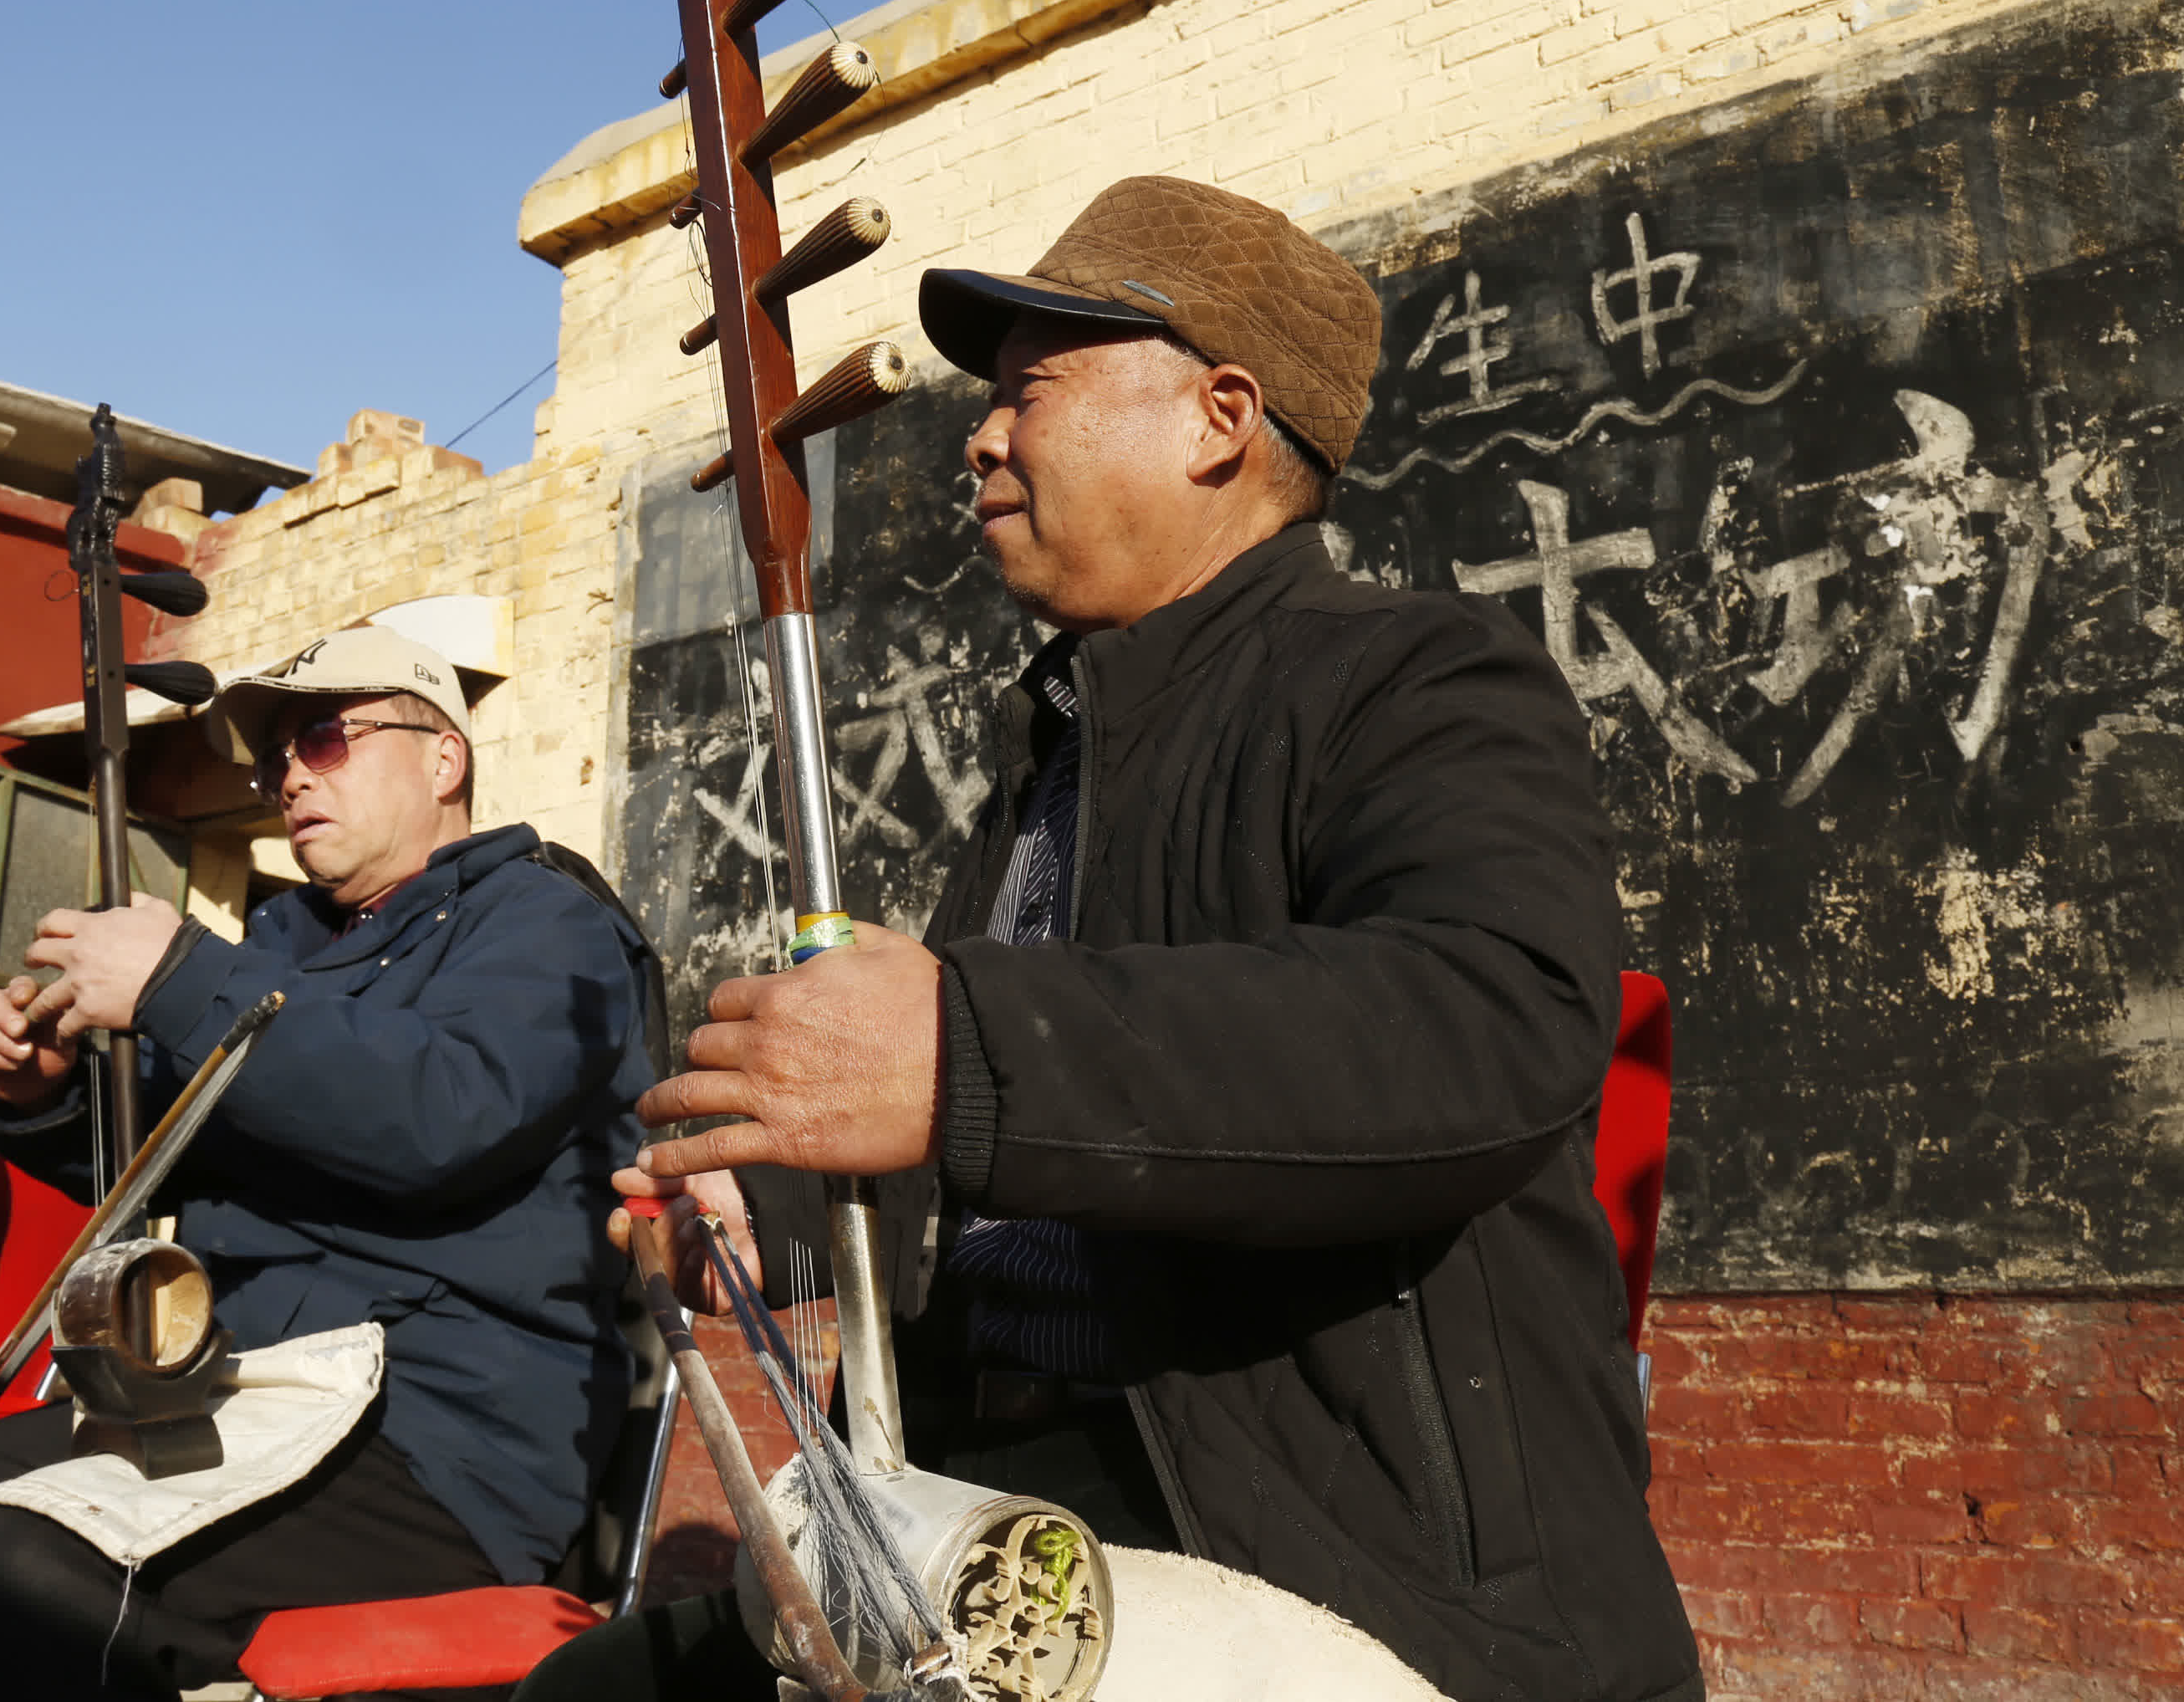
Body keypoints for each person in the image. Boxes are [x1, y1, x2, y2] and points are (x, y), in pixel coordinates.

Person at [528, 177, 1703, 1702]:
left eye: (1032, 391)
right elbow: (994, 1162)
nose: (980, 437)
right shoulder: (1054, 753)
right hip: (997, 1513)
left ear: (1221, 418)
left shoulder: (1416, 679)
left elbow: (1486, 1021)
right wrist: (785, 1216)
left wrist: (959, 1052)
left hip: (1329, 1551)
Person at [0, 626, 656, 1702]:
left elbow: (443, 1114)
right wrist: (42, 1095)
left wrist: (185, 979)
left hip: (434, 1431)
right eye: (275, 757)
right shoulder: (280, 943)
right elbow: (159, 1162)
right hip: (227, 1394)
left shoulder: (547, 922)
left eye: (324, 738)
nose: (290, 775)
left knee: (43, 1568)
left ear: (442, 758)